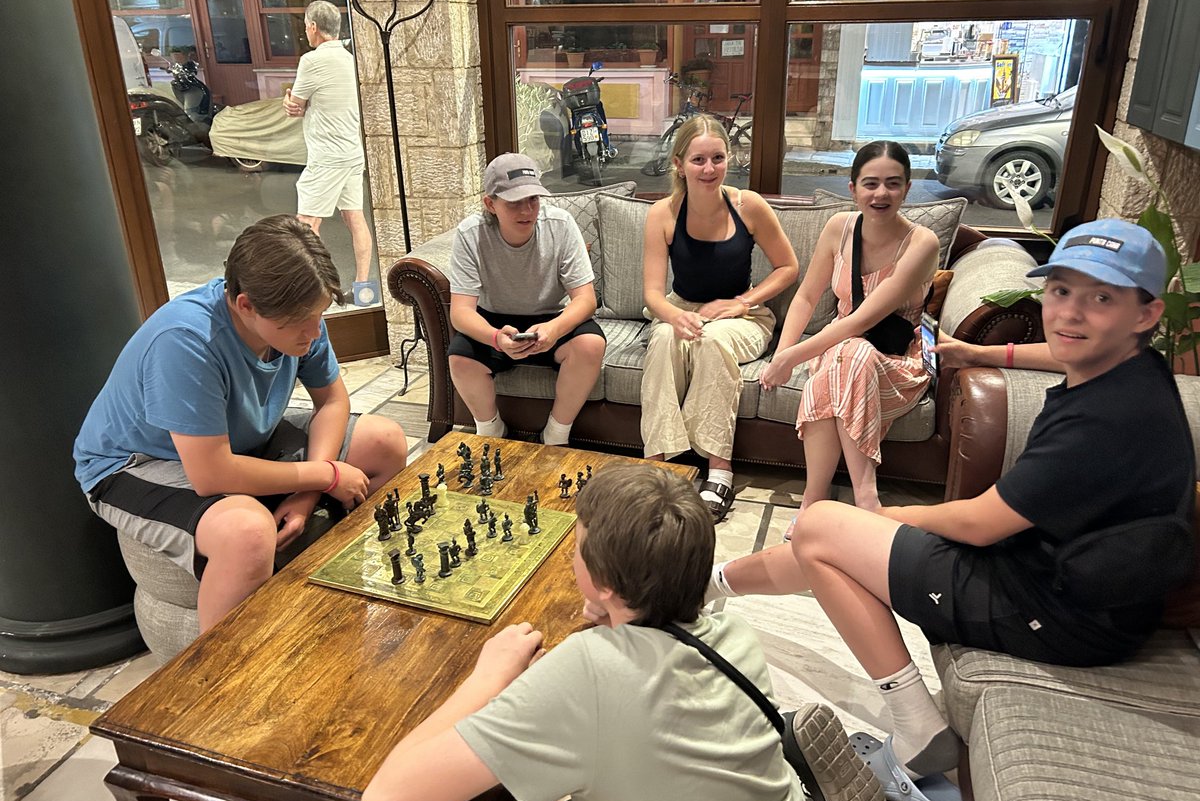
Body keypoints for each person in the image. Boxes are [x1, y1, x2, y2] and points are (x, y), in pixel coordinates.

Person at [709, 219, 1194, 801]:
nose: (1070, 314)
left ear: (1145, 314)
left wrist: (884, 515)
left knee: (822, 529)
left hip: (1050, 609)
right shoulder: (1134, 371)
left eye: (1101, 298)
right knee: (831, 540)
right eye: (1061, 290)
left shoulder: (1103, 421)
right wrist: (980, 353)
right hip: (1074, 589)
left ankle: (917, 733)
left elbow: (983, 523)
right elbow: (1059, 349)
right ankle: (711, 584)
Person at [362, 463, 856, 801]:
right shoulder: (734, 632)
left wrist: (488, 678)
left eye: (577, 548)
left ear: (601, 582)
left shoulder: (587, 671)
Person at [74, 215, 408, 632]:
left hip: (236, 440)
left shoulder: (301, 319)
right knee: (247, 533)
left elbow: (333, 400)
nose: (314, 331)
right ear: (245, 305)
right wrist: (327, 473)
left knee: (386, 439)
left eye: (319, 314)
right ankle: (220, 682)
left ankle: (331, 591)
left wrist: (309, 490)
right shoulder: (184, 340)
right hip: (134, 463)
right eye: (297, 323)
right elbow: (211, 474)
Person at [761, 141, 940, 528]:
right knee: (845, 357)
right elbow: (807, 296)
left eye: (893, 184)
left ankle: (856, 498)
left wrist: (790, 359)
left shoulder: (922, 242)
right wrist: (783, 350)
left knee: (851, 353)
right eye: (870, 183)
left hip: (896, 360)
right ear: (853, 188)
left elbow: (863, 318)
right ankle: (823, 499)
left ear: (907, 189)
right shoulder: (838, 228)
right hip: (840, 350)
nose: (881, 194)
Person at [641, 114, 799, 521]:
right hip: (682, 307)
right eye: (698, 160)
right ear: (678, 164)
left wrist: (743, 302)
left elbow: (787, 267)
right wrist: (674, 317)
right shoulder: (662, 213)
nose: (709, 169)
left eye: (717, 158)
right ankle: (658, 464)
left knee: (712, 340)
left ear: (730, 158)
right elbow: (653, 295)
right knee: (660, 340)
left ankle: (718, 468)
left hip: (743, 316)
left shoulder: (749, 206)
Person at [447, 152, 605, 446]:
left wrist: (554, 328)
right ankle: (491, 431)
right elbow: (461, 312)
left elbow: (585, 299)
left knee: (591, 344)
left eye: (533, 199)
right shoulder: (471, 234)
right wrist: (496, 338)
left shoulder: (561, 224)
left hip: (553, 317)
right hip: (495, 320)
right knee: (459, 358)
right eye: (514, 202)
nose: (526, 210)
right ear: (490, 204)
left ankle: (556, 436)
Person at [283, 0, 377, 307]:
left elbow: (295, 104)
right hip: (351, 152)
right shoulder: (350, 59)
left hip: (326, 156)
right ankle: (363, 291)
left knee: (305, 224)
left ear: (312, 27)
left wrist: (296, 104)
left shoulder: (312, 61)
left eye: (306, 27)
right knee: (354, 218)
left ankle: (316, 293)